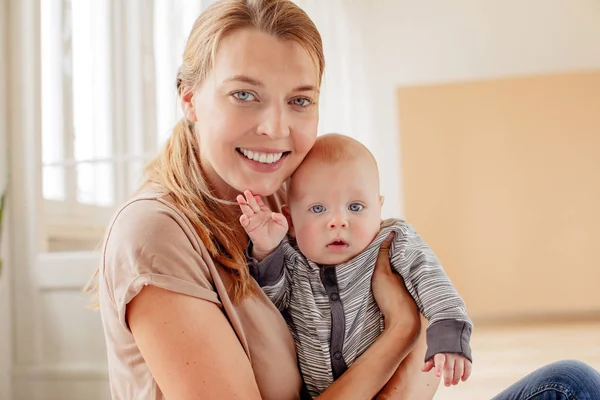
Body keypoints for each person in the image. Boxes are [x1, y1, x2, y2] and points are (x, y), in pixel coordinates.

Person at [88, 0, 600, 399]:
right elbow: (407, 335)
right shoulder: (156, 233)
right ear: (189, 98)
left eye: (300, 100)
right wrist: (398, 333)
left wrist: (424, 329)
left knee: (569, 383)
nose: (275, 128)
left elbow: (422, 336)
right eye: (244, 94)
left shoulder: (295, 203)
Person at [237, 133, 473, 397]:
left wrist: (450, 330)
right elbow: (270, 307)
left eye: (356, 206)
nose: (338, 221)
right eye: (317, 209)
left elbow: (431, 279)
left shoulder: (393, 240)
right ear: (291, 220)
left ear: (378, 208)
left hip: (393, 385)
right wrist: (267, 248)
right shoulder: (291, 259)